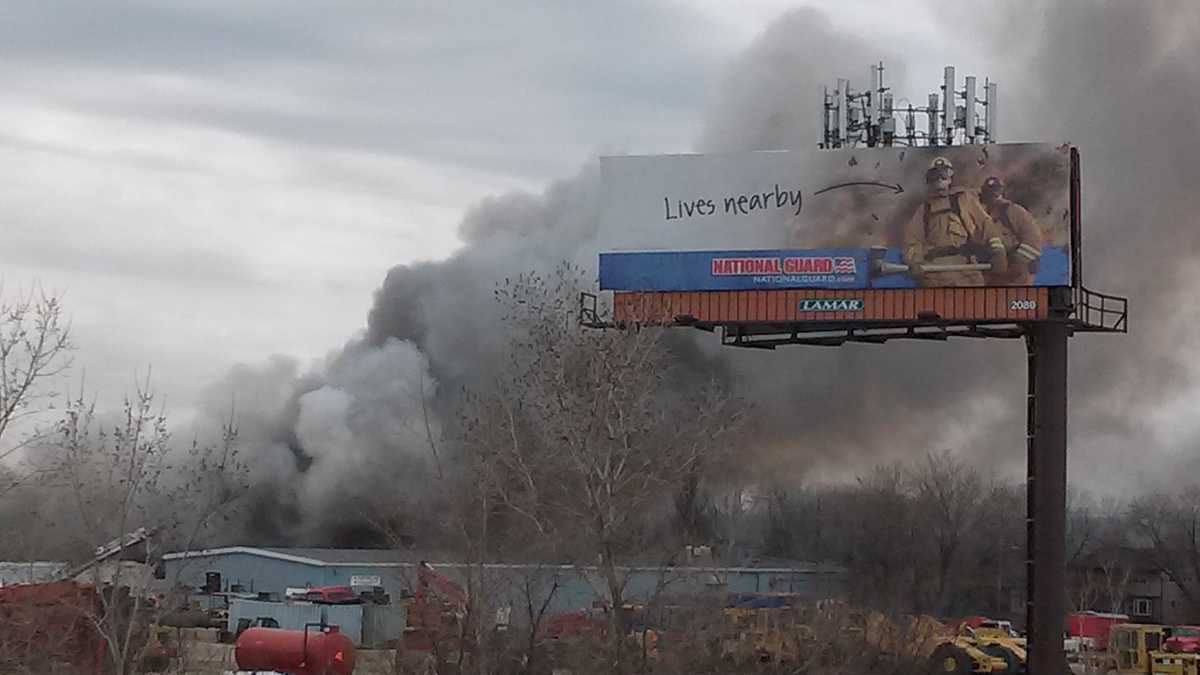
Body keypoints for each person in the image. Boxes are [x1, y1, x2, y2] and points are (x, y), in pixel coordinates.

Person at [902, 157, 1008, 287]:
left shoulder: (964, 200)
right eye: (935, 176)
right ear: (929, 181)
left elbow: (986, 226)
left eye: (943, 176)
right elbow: (912, 241)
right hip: (935, 274)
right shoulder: (924, 210)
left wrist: (998, 252)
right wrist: (915, 262)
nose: (940, 180)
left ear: (951, 179)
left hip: (966, 270)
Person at [978, 176, 1044, 285]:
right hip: (992, 272)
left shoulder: (1014, 211)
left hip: (1017, 274)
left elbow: (1033, 239)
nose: (993, 197)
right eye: (989, 193)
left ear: (1002, 193)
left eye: (996, 193)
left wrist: (1017, 263)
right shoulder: (980, 214)